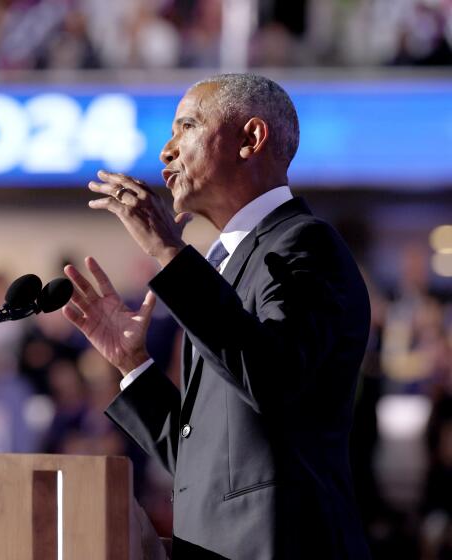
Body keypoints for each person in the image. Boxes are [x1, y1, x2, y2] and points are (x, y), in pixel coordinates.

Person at [62, 73, 371, 559]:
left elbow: (275, 377)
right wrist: (133, 367)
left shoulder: (305, 245)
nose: (167, 150)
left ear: (250, 138)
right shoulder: (219, 268)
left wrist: (168, 250)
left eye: (186, 126)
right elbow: (204, 460)